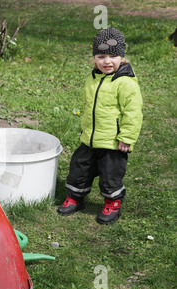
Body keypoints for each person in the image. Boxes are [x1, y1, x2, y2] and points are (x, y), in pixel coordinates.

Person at [57, 27, 143, 224]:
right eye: (101, 55)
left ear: (122, 58)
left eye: (113, 56)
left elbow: (133, 111)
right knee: (79, 169)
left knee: (110, 175)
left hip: (113, 143)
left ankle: (112, 203)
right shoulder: (93, 78)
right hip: (90, 138)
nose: (107, 61)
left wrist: (127, 137)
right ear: (94, 58)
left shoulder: (126, 83)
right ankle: (75, 197)